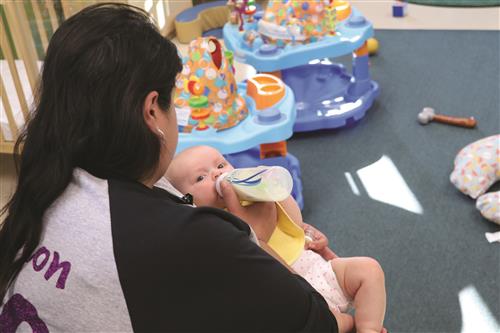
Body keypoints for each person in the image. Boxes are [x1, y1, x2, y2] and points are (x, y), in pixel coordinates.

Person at [0, 3, 339, 332]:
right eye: (173, 102)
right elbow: (316, 320)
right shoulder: (188, 238)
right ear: (152, 111)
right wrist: (254, 239)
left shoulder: (45, 182)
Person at [166, 145, 387, 333]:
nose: (216, 175)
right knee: (325, 320)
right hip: (292, 297)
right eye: (200, 177)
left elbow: (295, 220)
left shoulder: (255, 200)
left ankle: (368, 328)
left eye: (221, 165)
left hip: (319, 271)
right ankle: (347, 324)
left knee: (369, 269)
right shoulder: (212, 227)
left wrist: (270, 188)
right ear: (187, 202)